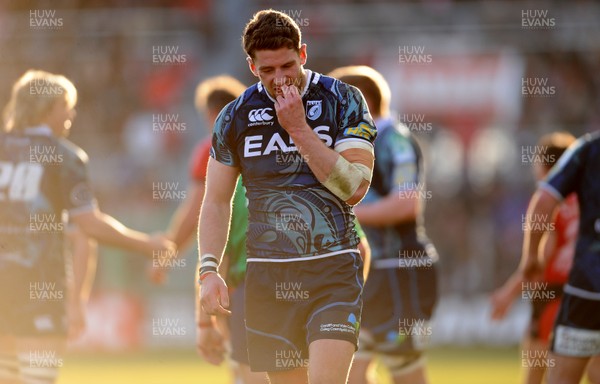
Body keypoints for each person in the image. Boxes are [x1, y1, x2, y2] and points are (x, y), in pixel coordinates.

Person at [198, 10, 377, 384]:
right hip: (268, 277)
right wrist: (209, 269)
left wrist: (297, 128)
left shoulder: (343, 100)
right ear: (252, 67)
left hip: (333, 270)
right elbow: (215, 200)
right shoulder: (234, 117)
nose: (279, 80)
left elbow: (356, 188)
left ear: (304, 54)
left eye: (287, 66)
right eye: (268, 71)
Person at [0, 69, 174, 384]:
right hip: (39, 287)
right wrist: (149, 244)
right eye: (67, 105)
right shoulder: (63, 156)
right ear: (48, 108)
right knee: (37, 378)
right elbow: (89, 226)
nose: (72, 113)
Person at [328, 66, 439, 384]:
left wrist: (341, 211)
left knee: (404, 370)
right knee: (351, 369)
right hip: (364, 273)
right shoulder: (352, 144)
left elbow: (407, 203)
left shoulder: (395, 141)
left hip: (396, 272)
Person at [491, 132, 584, 384]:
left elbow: (541, 258)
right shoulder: (585, 201)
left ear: (547, 166)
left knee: (535, 373)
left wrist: (508, 293)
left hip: (551, 296)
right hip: (583, 294)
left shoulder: (550, 202)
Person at [520, 131, 600, 384]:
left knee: (543, 369)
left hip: (579, 289)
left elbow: (544, 203)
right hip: (571, 288)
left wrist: (530, 259)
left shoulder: (589, 151)